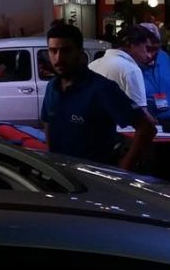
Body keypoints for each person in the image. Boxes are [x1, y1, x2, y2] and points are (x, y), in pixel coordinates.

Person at [41, 23, 155, 170]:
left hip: (93, 178)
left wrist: (123, 169)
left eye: (66, 51)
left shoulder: (102, 89)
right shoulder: (52, 87)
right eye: (53, 51)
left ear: (80, 52)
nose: (58, 58)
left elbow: (146, 128)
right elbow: (47, 122)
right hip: (61, 176)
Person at [88, 24, 153, 108]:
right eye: (146, 48)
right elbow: (140, 111)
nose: (149, 55)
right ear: (132, 45)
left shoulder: (91, 65)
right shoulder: (131, 70)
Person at [140, 22, 170, 129]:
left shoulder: (163, 57)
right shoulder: (130, 64)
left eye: (155, 48)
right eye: (147, 48)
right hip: (146, 123)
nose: (150, 54)